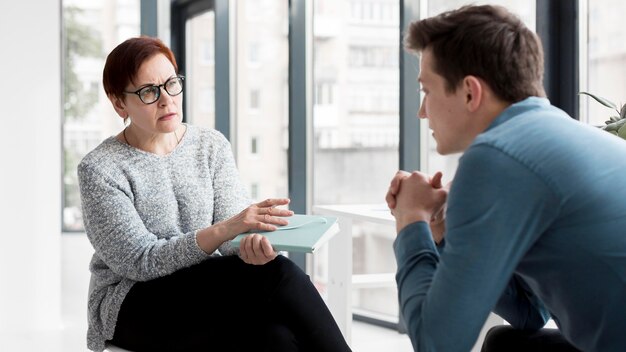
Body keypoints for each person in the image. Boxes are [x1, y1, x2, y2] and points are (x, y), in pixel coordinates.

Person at [78, 36, 351, 352]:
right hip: (133, 303)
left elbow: (233, 230)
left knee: (274, 335)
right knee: (280, 276)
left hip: (205, 288)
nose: (166, 100)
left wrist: (253, 246)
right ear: (118, 102)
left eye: (171, 84)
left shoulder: (210, 145)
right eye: (149, 92)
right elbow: (140, 261)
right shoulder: (100, 169)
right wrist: (226, 230)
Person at [385, 5, 626, 352]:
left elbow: (437, 344)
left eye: (427, 90)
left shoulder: (495, 158)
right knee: (507, 343)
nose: (423, 112)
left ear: (470, 92)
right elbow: (530, 313)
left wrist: (411, 219)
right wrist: (439, 231)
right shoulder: (554, 134)